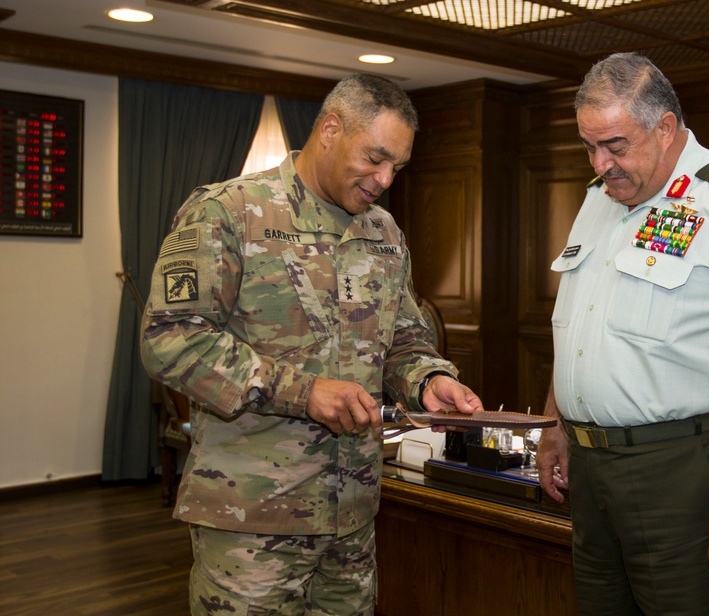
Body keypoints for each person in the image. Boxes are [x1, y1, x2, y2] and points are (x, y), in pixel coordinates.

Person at [140, 73, 483, 615]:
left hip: (353, 513)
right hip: (251, 518)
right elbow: (170, 340)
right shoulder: (228, 212)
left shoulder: (384, 233)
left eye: (397, 166)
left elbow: (405, 340)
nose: (385, 178)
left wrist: (429, 380)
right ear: (330, 129)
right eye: (375, 158)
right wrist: (303, 392)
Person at [536, 52, 709, 615]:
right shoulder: (599, 200)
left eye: (615, 145)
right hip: (592, 477)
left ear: (665, 128)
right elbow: (582, 328)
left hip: (684, 475)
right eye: (589, 146)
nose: (600, 163)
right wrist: (555, 423)